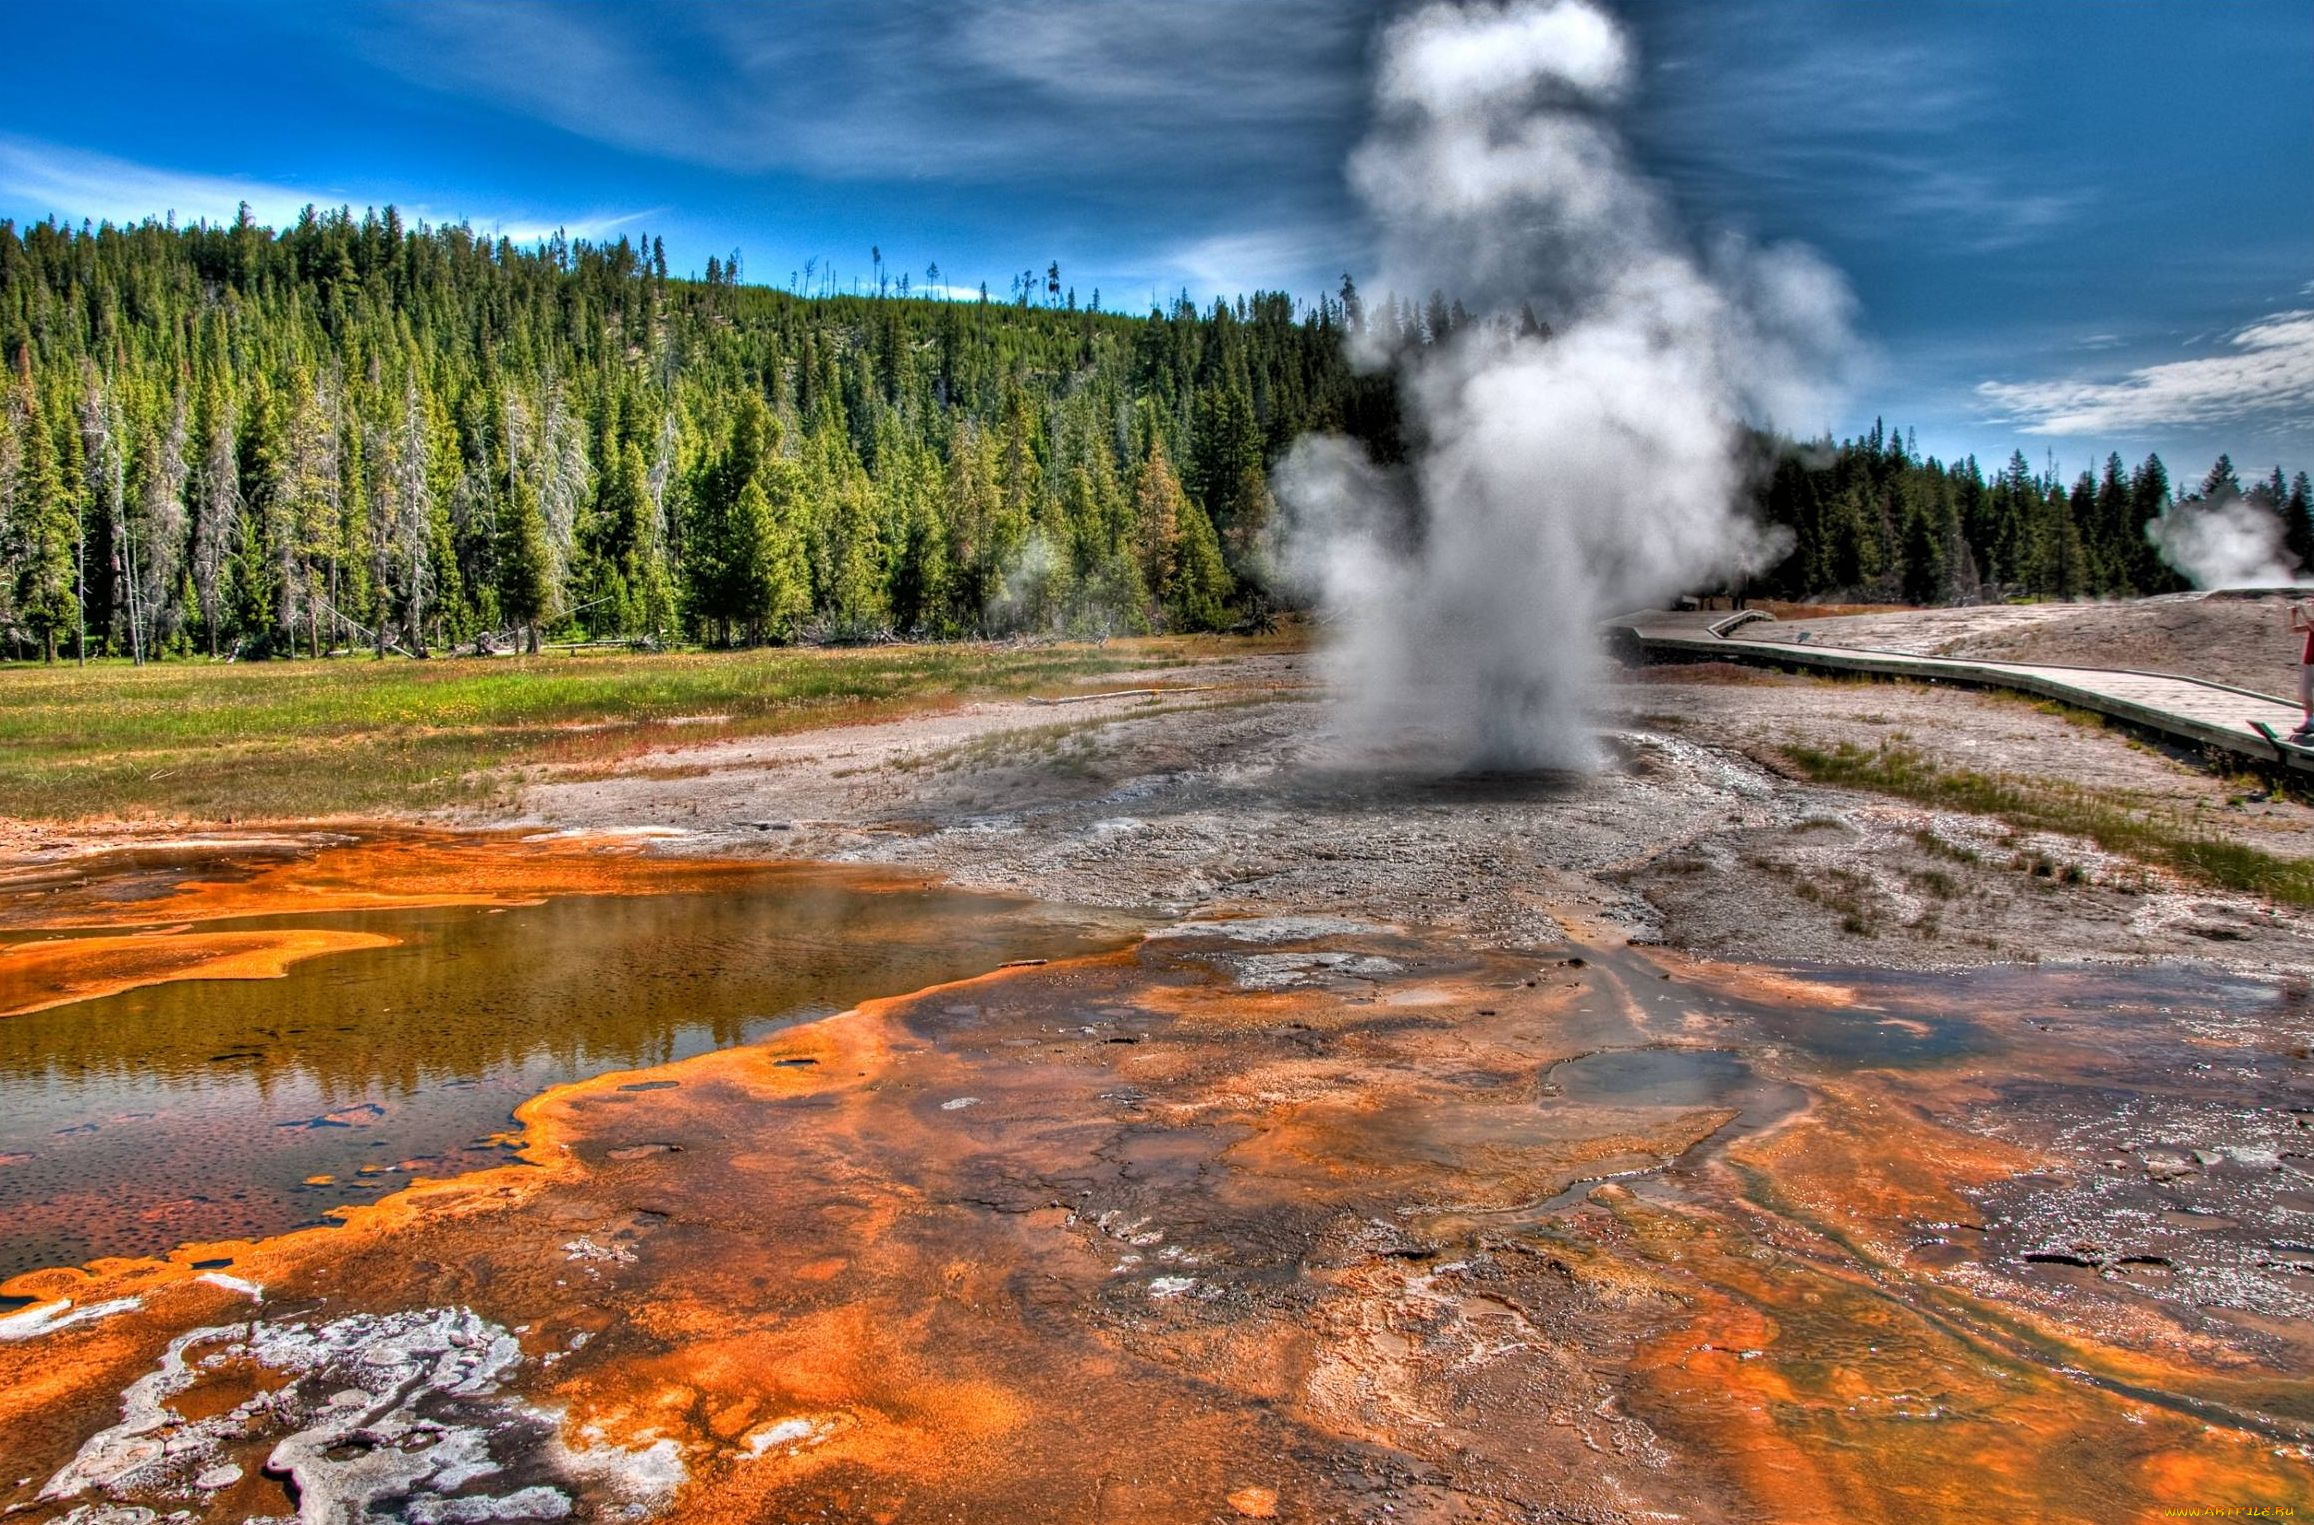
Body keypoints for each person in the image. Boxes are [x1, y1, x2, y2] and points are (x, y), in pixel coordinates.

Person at [2291, 601, 2314, 739]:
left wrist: (2303, 611)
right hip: (2309, 662)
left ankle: (2310, 722)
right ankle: (2309, 722)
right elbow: (2294, 629)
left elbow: (2312, 625)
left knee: (2309, 694)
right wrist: (2293, 615)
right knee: (2306, 695)